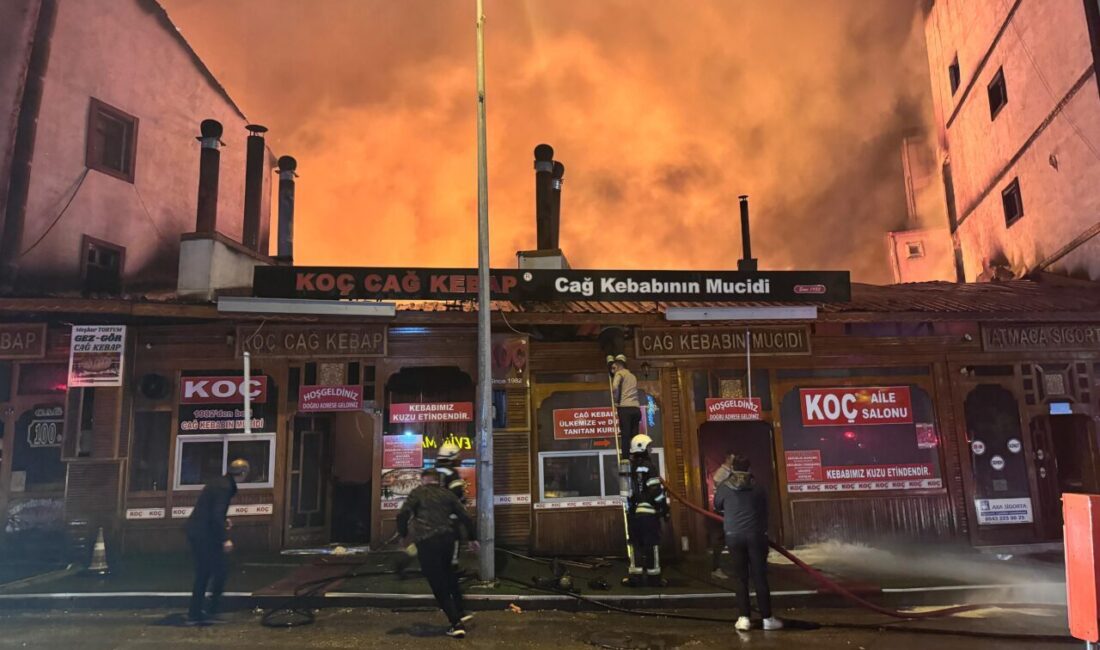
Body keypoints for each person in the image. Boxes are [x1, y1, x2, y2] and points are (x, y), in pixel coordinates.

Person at [397, 468, 479, 639]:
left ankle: (456, 623)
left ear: (424, 479)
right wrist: (472, 538)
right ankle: (459, 610)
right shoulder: (447, 494)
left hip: (427, 542)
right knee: (449, 574)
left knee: (437, 582)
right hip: (447, 540)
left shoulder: (418, 493)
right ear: (438, 480)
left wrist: (403, 536)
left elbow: (402, 514)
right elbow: (465, 516)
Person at [713, 455, 782, 631]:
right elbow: (765, 509)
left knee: (741, 578)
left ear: (733, 468)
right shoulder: (758, 487)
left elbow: (717, 505)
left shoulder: (724, 487)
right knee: (759, 577)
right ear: (749, 469)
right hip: (756, 535)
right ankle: (767, 618)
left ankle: (744, 618)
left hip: (734, 536)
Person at [185, 458, 249, 625]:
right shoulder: (225, 487)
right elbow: (215, 514)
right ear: (242, 474)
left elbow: (213, 511)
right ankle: (206, 610)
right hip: (204, 535)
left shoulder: (219, 483)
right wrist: (224, 539)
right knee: (218, 571)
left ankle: (197, 611)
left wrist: (223, 519)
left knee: (205, 572)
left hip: (199, 532)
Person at [622, 433, 669, 587]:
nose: (650, 449)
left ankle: (635, 577)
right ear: (642, 447)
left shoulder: (629, 466)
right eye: (648, 446)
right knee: (651, 545)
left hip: (633, 513)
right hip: (648, 513)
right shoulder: (649, 466)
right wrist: (664, 508)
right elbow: (655, 490)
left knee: (636, 544)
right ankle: (654, 578)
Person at [434, 441, 469, 569]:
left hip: (430, 513)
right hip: (449, 514)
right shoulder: (452, 473)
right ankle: (452, 566)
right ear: (452, 456)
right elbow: (457, 493)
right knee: (454, 538)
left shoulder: (431, 471)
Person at [708, 451, 737, 580]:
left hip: (729, 511)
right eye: (733, 459)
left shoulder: (731, 472)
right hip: (723, 512)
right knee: (720, 541)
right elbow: (720, 487)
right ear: (728, 459)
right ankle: (716, 568)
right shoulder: (722, 473)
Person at [608, 354, 641, 456]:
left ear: (617, 365)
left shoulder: (620, 374)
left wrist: (616, 400)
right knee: (635, 435)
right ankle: (638, 455)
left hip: (625, 408)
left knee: (625, 434)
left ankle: (625, 457)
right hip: (636, 408)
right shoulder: (632, 376)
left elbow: (614, 388)